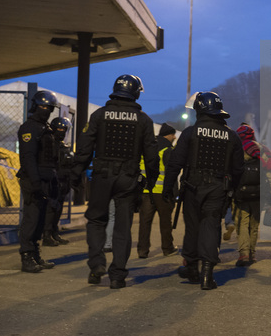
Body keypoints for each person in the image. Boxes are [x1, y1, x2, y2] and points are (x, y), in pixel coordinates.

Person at [71, 74, 159, 289]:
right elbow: (151, 156)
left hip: (101, 176)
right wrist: (150, 181)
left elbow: (84, 147)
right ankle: (118, 275)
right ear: (136, 93)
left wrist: (76, 174)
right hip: (128, 179)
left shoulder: (99, 115)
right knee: (122, 228)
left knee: (96, 221)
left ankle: (96, 265)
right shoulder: (144, 120)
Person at [163, 92, 244, 290]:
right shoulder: (232, 136)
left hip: (192, 186)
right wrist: (232, 192)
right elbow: (238, 169)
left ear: (199, 110)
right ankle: (207, 274)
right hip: (218, 188)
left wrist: (168, 188)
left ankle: (191, 268)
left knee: (193, 227)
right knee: (211, 226)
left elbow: (175, 163)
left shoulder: (191, 133)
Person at [16, 90, 60, 273]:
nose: (47, 110)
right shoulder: (29, 128)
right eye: (43, 106)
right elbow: (28, 157)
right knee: (31, 219)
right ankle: (26, 257)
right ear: (35, 106)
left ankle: (35, 254)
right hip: (33, 180)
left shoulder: (45, 127)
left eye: (49, 108)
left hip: (45, 180)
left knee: (40, 220)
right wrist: (35, 183)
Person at [233, 123, 271, 266]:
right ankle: (252, 254)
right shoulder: (262, 149)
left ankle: (243, 254)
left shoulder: (236, 149)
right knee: (254, 225)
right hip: (258, 193)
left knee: (242, 223)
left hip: (242, 193)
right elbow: (270, 170)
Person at [137, 123, 179, 258]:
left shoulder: (148, 146)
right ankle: (167, 248)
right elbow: (171, 173)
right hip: (161, 192)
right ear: (170, 135)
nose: (174, 138)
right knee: (165, 222)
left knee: (144, 221)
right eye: (174, 135)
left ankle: (142, 250)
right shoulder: (167, 149)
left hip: (145, 191)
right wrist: (174, 193)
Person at [42, 117, 73, 247]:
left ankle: (54, 232)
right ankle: (47, 235)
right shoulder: (49, 144)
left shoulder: (63, 146)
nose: (61, 132)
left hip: (63, 182)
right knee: (51, 208)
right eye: (59, 129)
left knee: (58, 208)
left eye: (63, 129)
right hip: (52, 182)